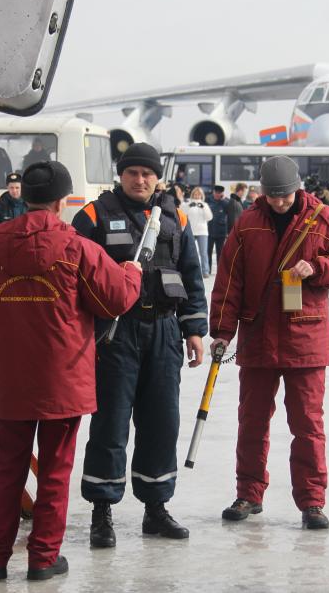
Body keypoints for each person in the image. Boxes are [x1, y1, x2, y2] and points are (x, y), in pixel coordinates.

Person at [0, 161, 142, 581]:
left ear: (23, 196)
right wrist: (132, 273)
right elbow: (115, 300)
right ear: (63, 201)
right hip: (62, 379)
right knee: (55, 468)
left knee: (5, 466)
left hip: (7, 379)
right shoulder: (77, 247)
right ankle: (43, 558)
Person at [209, 156, 329, 530]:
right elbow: (230, 281)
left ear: (298, 189)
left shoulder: (322, 219)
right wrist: (222, 331)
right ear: (263, 193)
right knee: (252, 421)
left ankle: (312, 501)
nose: (280, 202)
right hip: (258, 337)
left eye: (285, 195)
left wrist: (318, 268)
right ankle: (249, 492)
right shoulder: (247, 224)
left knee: (307, 424)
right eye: (273, 196)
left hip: (304, 338)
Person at [72, 142, 208, 547]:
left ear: (157, 177)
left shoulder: (176, 217)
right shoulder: (94, 216)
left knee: (162, 424)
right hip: (115, 335)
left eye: (147, 173)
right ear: (121, 175)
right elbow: (73, 278)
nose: (140, 179)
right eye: (132, 172)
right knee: (110, 424)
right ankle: (102, 511)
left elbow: (192, 277)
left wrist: (194, 330)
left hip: (164, 333)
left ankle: (156, 508)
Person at [181, 187, 213, 278]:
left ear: (201, 195)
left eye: (199, 194)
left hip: (202, 231)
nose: (197, 195)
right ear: (192, 194)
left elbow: (209, 217)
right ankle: (190, 270)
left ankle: (205, 271)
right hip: (191, 230)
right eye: (195, 194)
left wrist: (203, 208)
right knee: (190, 251)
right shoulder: (187, 203)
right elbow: (183, 214)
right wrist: (189, 206)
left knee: (203, 252)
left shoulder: (205, 204)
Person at [207, 185, 229, 274]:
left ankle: (220, 271)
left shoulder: (225, 202)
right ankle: (207, 270)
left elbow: (228, 211)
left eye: (219, 193)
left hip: (221, 231)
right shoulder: (208, 200)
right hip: (209, 230)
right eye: (216, 193)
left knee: (220, 253)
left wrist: (223, 199)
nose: (217, 195)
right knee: (208, 252)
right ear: (213, 192)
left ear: (222, 193)